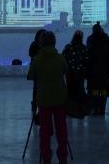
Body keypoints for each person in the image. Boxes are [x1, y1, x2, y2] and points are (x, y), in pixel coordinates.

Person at [28, 31, 69, 163]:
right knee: (61, 129)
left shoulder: (37, 59)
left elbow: (31, 76)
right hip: (59, 99)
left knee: (45, 131)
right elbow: (65, 70)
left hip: (44, 99)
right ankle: (62, 156)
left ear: (41, 43)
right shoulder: (60, 58)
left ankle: (46, 157)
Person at [85, 23, 109, 116]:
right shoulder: (105, 37)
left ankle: (95, 109)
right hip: (104, 69)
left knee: (95, 89)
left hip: (93, 70)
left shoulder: (90, 39)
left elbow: (88, 53)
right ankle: (102, 109)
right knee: (103, 89)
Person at [62, 30, 89, 105]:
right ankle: (81, 105)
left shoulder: (68, 47)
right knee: (80, 88)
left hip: (70, 72)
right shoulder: (84, 48)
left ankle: (70, 105)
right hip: (80, 72)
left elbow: (64, 59)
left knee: (70, 88)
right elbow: (86, 61)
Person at [28, 29, 46, 115]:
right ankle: (35, 104)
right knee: (36, 88)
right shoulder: (34, 44)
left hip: (44, 69)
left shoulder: (45, 45)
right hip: (37, 69)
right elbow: (31, 54)